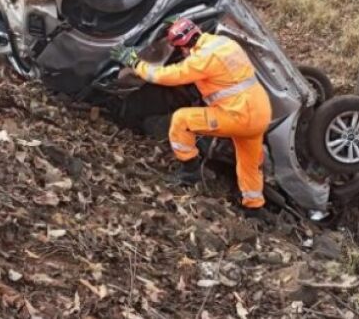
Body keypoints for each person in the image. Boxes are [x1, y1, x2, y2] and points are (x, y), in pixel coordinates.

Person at [111, 18, 272, 219]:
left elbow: (165, 76)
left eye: (180, 49)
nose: (181, 54)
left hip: (237, 115)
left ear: (186, 45)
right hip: (260, 113)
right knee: (248, 161)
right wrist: (177, 24)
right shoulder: (224, 43)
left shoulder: (202, 59)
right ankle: (254, 207)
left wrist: (135, 62)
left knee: (182, 120)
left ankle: (190, 171)